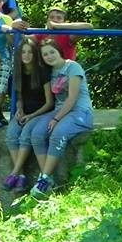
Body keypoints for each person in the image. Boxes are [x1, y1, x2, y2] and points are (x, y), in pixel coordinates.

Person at [28, 39, 94, 197]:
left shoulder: (73, 67)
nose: (49, 56)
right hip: (59, 110)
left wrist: (56, 119)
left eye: (52, 52)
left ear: (59, 51)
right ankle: (47, 178)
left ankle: (43, 180)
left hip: (80, 112)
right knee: (36, 134)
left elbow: (72, 99)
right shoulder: (49, 72)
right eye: (45, 54)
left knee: (58, 133)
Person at [3, 37, 54, 191]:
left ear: (35, 54)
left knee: (25, 135)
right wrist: (19, 109)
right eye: (23, 52)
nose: (26, 55)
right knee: (11, 134)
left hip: (41, 113)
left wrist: (32, 116)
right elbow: (20, 98)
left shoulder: (42, 72)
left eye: (30, 52)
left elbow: (49, 103)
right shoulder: (17, 73)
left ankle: (14, 172)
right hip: (25, 113)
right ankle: (21, 176)